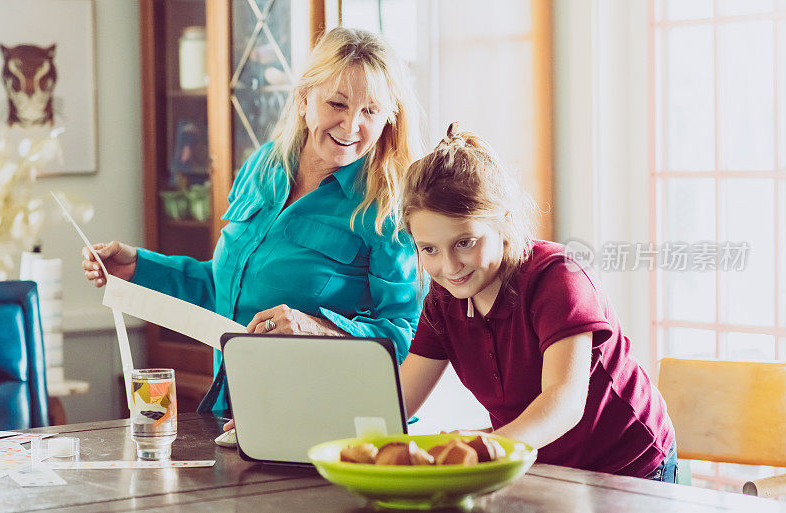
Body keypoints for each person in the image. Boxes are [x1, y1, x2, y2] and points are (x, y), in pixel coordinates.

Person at [82, 27, 424, 419]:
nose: (351, 127)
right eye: (338, 104)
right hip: (237, 411)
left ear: (389, 117)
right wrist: (138, 267)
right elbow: (224, 287)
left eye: (370, 111)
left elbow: (405, 338)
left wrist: (315, 328)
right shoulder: (264, 166)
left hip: (330, 422)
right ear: (304, 99)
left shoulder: (389, 205)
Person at [397, 123, 677, 482]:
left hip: (630, 469)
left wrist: (487, 450)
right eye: (429, 249)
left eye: (465, 242)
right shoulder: (442, 301)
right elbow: (400, 401)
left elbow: (564, 401)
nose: (449, 267)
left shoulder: (559, 278)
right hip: (545, 468)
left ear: (504, 222)